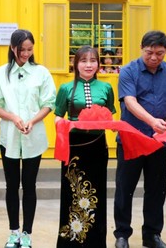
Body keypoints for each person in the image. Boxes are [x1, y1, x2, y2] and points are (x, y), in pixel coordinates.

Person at [113, 30, 166, 248]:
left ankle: (152, 235)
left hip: (158, 141)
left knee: (156, 189)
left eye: (160, 53)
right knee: (125, 188)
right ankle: (122, 234)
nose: (154, 58)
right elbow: (130, 102)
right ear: (142, 48)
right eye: (150, 52)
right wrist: (153, 120)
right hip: (131, 140)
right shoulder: (128, 71)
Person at [0, 29, 56, 248]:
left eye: (29, 49)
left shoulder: (41, 73)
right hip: (9, 136)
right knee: (11, 185)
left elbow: (48, 103)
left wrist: (32, 121)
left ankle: (27, 233)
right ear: (12, 47)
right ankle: (13, 232)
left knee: (29, 185)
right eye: (21, 49)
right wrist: (14, 117)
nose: (25, 54)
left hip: (33, 137)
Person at [54, 46, 116, 247]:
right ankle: (71, 241)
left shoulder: (106, 88)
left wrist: (112, 126)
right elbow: (57, 116)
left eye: (93, 61)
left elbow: (110, 116)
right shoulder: (65, 88)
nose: (89, 65)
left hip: (98, 146)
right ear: (76, 64)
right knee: (73, 193)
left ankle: (95, 242)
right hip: (74, 148)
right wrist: (62, 125)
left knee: (96, 193)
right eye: (83, 61)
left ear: (98, 63)